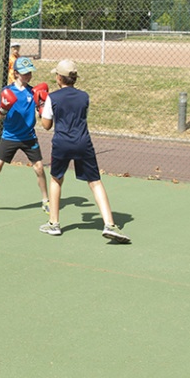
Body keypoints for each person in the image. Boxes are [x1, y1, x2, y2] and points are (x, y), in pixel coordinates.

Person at [38, 60, 131, 243]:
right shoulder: (84, 96)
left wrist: (39, 108)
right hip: (83, 142)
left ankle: (54, 223)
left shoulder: (52, 98)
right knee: (95, 182)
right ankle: (110, 224)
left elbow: (46, 125)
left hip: (62, 143)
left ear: (58, 78)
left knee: (56, 179)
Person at [0, 56, 50, 215]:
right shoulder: (7, 91)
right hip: (10, 136)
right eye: (24, 73)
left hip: (29, 137)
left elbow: (39, 116)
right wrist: (4, 107)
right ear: (16, 73)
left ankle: (45, 200)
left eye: (29, 72)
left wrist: (42, 108)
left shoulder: (34, 92)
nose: (28, 75)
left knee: (39, 168)